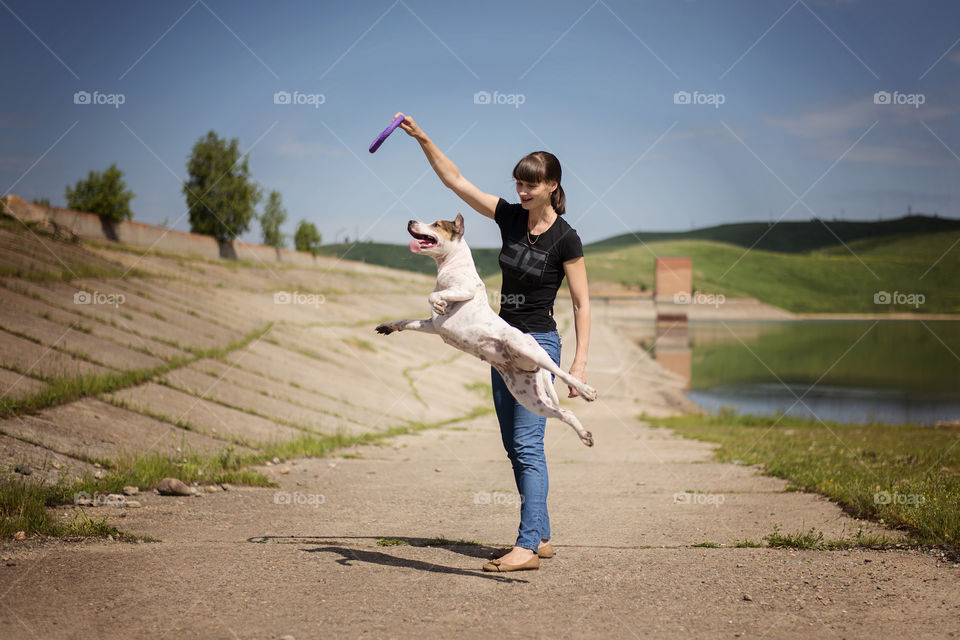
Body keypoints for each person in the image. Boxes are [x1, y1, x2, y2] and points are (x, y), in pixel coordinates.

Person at [395, 112, 591, 572]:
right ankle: (541, 535)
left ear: (552, 186)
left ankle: (525, 547)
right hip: (496, 341)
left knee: (527, 446)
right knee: (514, 445)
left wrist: (578, 366)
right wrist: (423, 137)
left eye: (530, 185)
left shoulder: (566, 238)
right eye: (518, 184)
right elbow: (456, 181)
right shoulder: (509, 217)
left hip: (537, 341)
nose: (521, 192)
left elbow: (583, 304)